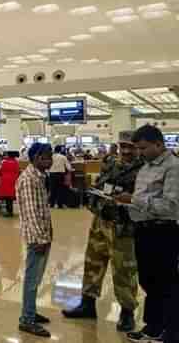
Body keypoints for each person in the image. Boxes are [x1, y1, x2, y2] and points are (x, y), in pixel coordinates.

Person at [62, 131, 142, 332]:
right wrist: (94, 197)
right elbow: (99, 185)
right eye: (122, 145)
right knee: (92, 263)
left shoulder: (145, 168)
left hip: (124, 226)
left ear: (138, 147)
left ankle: (127, 312)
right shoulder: (111, 163)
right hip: (101, 221)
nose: (125, 150)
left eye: (130, 147)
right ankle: (87, 305)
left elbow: (143, 199)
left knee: (124, 270)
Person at [115, 125, 179, 343]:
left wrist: (132, 200)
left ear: (158, 144)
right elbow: (143, 199)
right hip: (144, 230)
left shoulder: (173, 167)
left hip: (163, 231)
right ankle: (153, 326)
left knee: (166, 283)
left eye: (143, 148)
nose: (139, 152)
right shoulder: (146, 166)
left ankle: (171, 331)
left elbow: (171, 207)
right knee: (149, 281)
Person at [17, 143, 54, 338]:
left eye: (51, 157)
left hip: (42, 235)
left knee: (36, 277)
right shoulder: (30, 179)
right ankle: (26, 319)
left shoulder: (39, 176)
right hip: (36, 238)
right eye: (47, 157)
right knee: (32, 279)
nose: (50, 161)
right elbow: (31, 213)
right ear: (37, 158)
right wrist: (41, 238)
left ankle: (30, 310)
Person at [0, 151, 21, 217]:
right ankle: (10, 211)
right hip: (13, 180)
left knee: (7, 197)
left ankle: (9, 212)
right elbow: (18, 171)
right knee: (10, 197)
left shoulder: (4, 162)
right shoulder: (16, 162)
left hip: (5, 181)